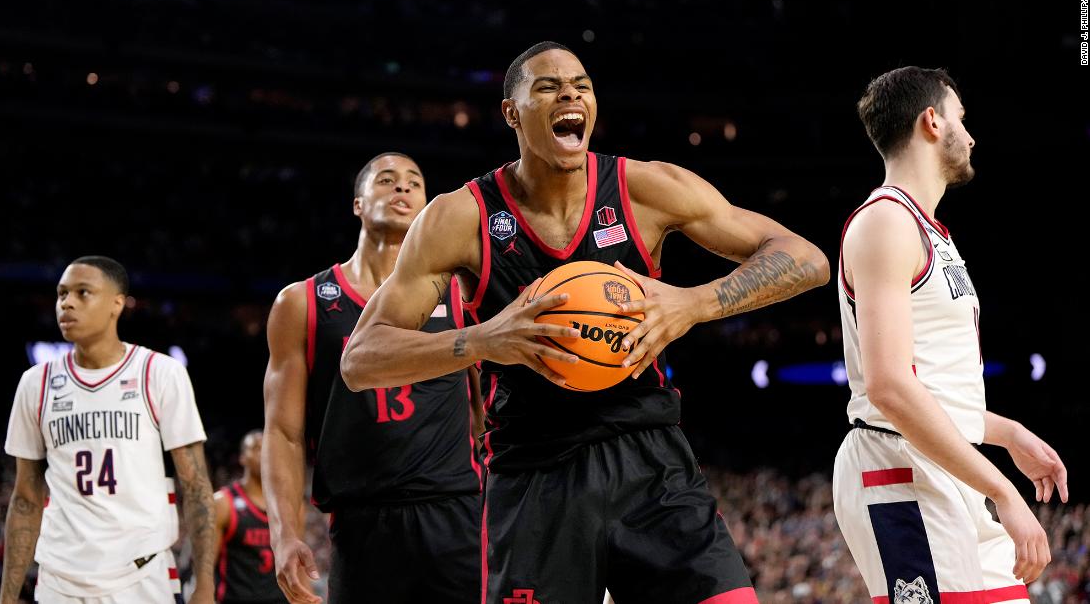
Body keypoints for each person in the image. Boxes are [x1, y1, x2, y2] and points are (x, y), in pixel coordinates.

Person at [340, 42, 829, 604]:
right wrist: (482, 338)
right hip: (534, 475)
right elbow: (360, 359)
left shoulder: (643, 188)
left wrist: (694, 303)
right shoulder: (460, 217)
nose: (569, 94)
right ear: (511, 113)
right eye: (547, 87)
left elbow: (806, 259)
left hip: (649, 458)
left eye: (581, 85)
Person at [832, 66, 1069, 603]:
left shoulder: (927, 230)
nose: (972, 134)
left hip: (937, 467)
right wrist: (1004, 490)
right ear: (932, 122)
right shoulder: (887, 223)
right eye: (962, 118)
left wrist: (1007, 433)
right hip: (901, 468)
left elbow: (929, 386)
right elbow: (889, 389)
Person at [262, 153, 483, 604]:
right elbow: (283, 432)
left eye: (413, 182)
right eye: (386, 180)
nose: (402, 188)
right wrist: (284, 533)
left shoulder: (462, 294)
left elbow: (485, 415)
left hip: (458, 514)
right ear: (358, 204)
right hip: (361, 523)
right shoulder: (302, 302)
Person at [0, 255, 215, 604]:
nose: (66, 302)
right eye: (61, 293)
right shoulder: (35, 383)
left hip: (142, 575)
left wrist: (204, 585)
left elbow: (196, 486)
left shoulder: (159, 372)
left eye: (83, 292)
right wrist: (7, 597)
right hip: (59, 578)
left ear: (117, 303)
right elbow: (25, 498)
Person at [213, 430, 286, 604]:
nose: (264, 453)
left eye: (268, 447)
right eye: (256, 448)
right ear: (242, 457)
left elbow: (297, 566)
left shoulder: (289, 506)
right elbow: (205, 568)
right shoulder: (223, 503)